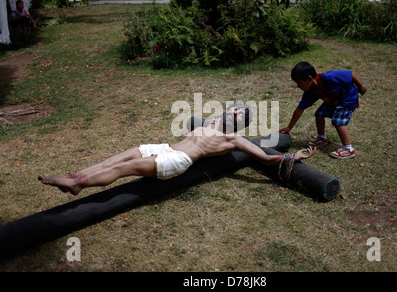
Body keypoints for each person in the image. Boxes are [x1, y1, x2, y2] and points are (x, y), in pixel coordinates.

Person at [39, 102, 316, 195]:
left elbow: (266, 158)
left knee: (124, 169)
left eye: (239, 116)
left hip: (178, 160)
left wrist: (293, 156)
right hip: (163, 146)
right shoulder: (208, 123)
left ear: (240, 126)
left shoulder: (234, 140)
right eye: (233, 109)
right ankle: (75, 177)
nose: (234, 114)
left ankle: (81, 184)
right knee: (118, 156)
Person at [280, 61, 367, 159]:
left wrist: (360, 86)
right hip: (334, 100)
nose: (298, 86)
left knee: (337, 121)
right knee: (319, 114)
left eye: (299, 83)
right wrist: (289, 127)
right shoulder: (310, 92)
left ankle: (348, 149)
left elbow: (349, 75)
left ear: (309, 78)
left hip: (348, 98)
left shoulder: (328, 77)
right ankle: (322, 138)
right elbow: (299, 110)